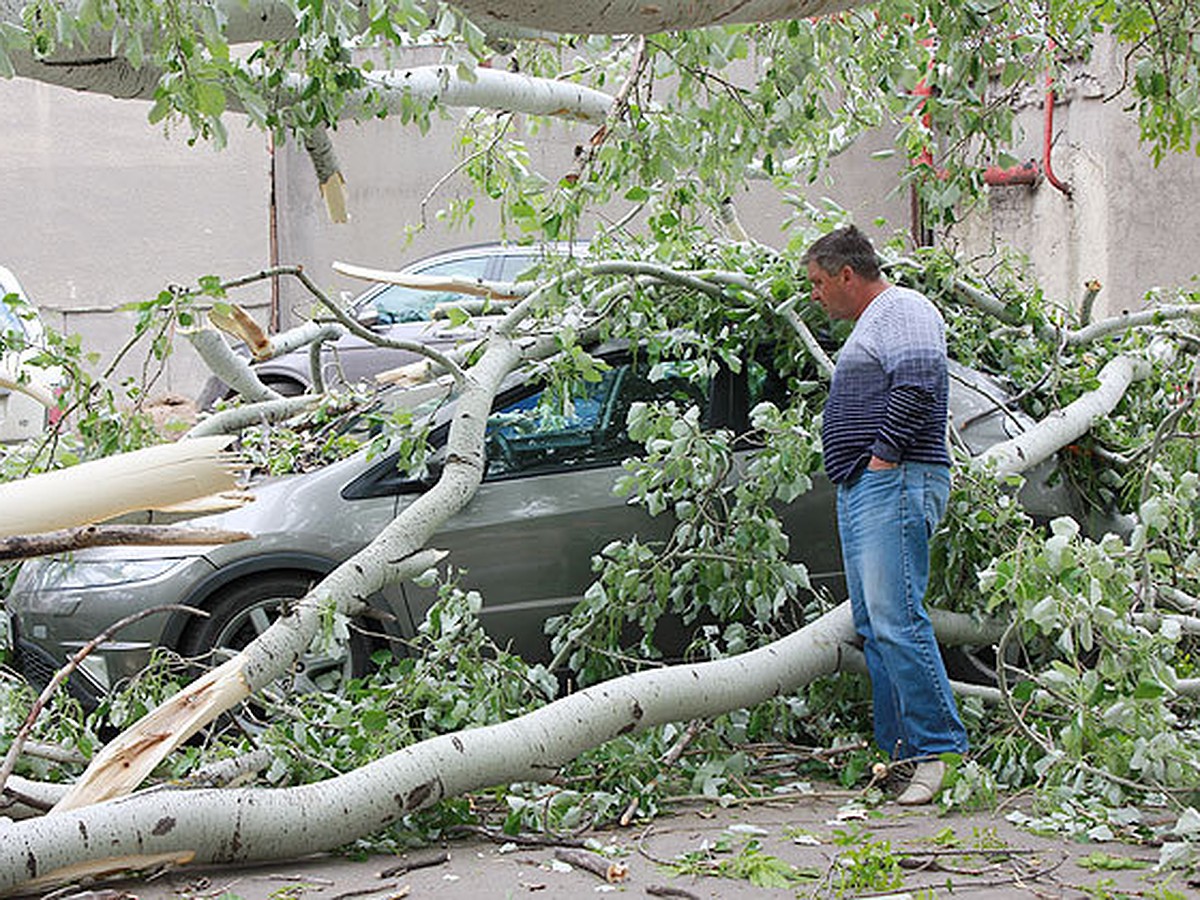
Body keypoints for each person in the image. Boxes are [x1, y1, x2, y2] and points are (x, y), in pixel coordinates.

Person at [802, 225, 967, 805]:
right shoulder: (873, 323)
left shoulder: (903, 308)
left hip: (893, 481)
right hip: (867, 487)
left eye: (820, 283)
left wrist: (881, 459)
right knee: (875, 628)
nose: (816, 295)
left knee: (898, 621)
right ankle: (896, 757)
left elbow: (920, 384)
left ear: (848, 274)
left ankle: (940, 753)